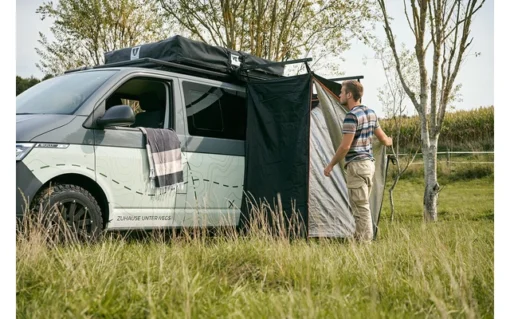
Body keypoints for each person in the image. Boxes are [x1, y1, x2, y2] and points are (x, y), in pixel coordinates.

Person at [324, 80, 392, 242]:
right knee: (361, 206)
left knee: (361, 209)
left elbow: (345, 146)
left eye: (341, 92)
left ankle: (365, 244)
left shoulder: (351, 117)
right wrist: (391, 141)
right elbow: (383, 139)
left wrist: (331, 164)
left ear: (349, 95)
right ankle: (359, 238)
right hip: (369, 166)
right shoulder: (371, 113)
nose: (339, 95)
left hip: (356, 166)